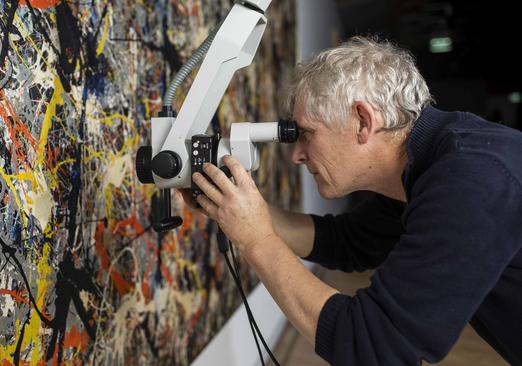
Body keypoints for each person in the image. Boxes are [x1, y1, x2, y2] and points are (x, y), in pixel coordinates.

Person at [182, 36, 522, 365]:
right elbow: (347, 241)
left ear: (363, 121)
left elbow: (372, 347)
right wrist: (236, 208)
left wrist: (255, 239)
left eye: (306, 134)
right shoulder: (432, 164)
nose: (296, 155)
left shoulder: (473, 179)